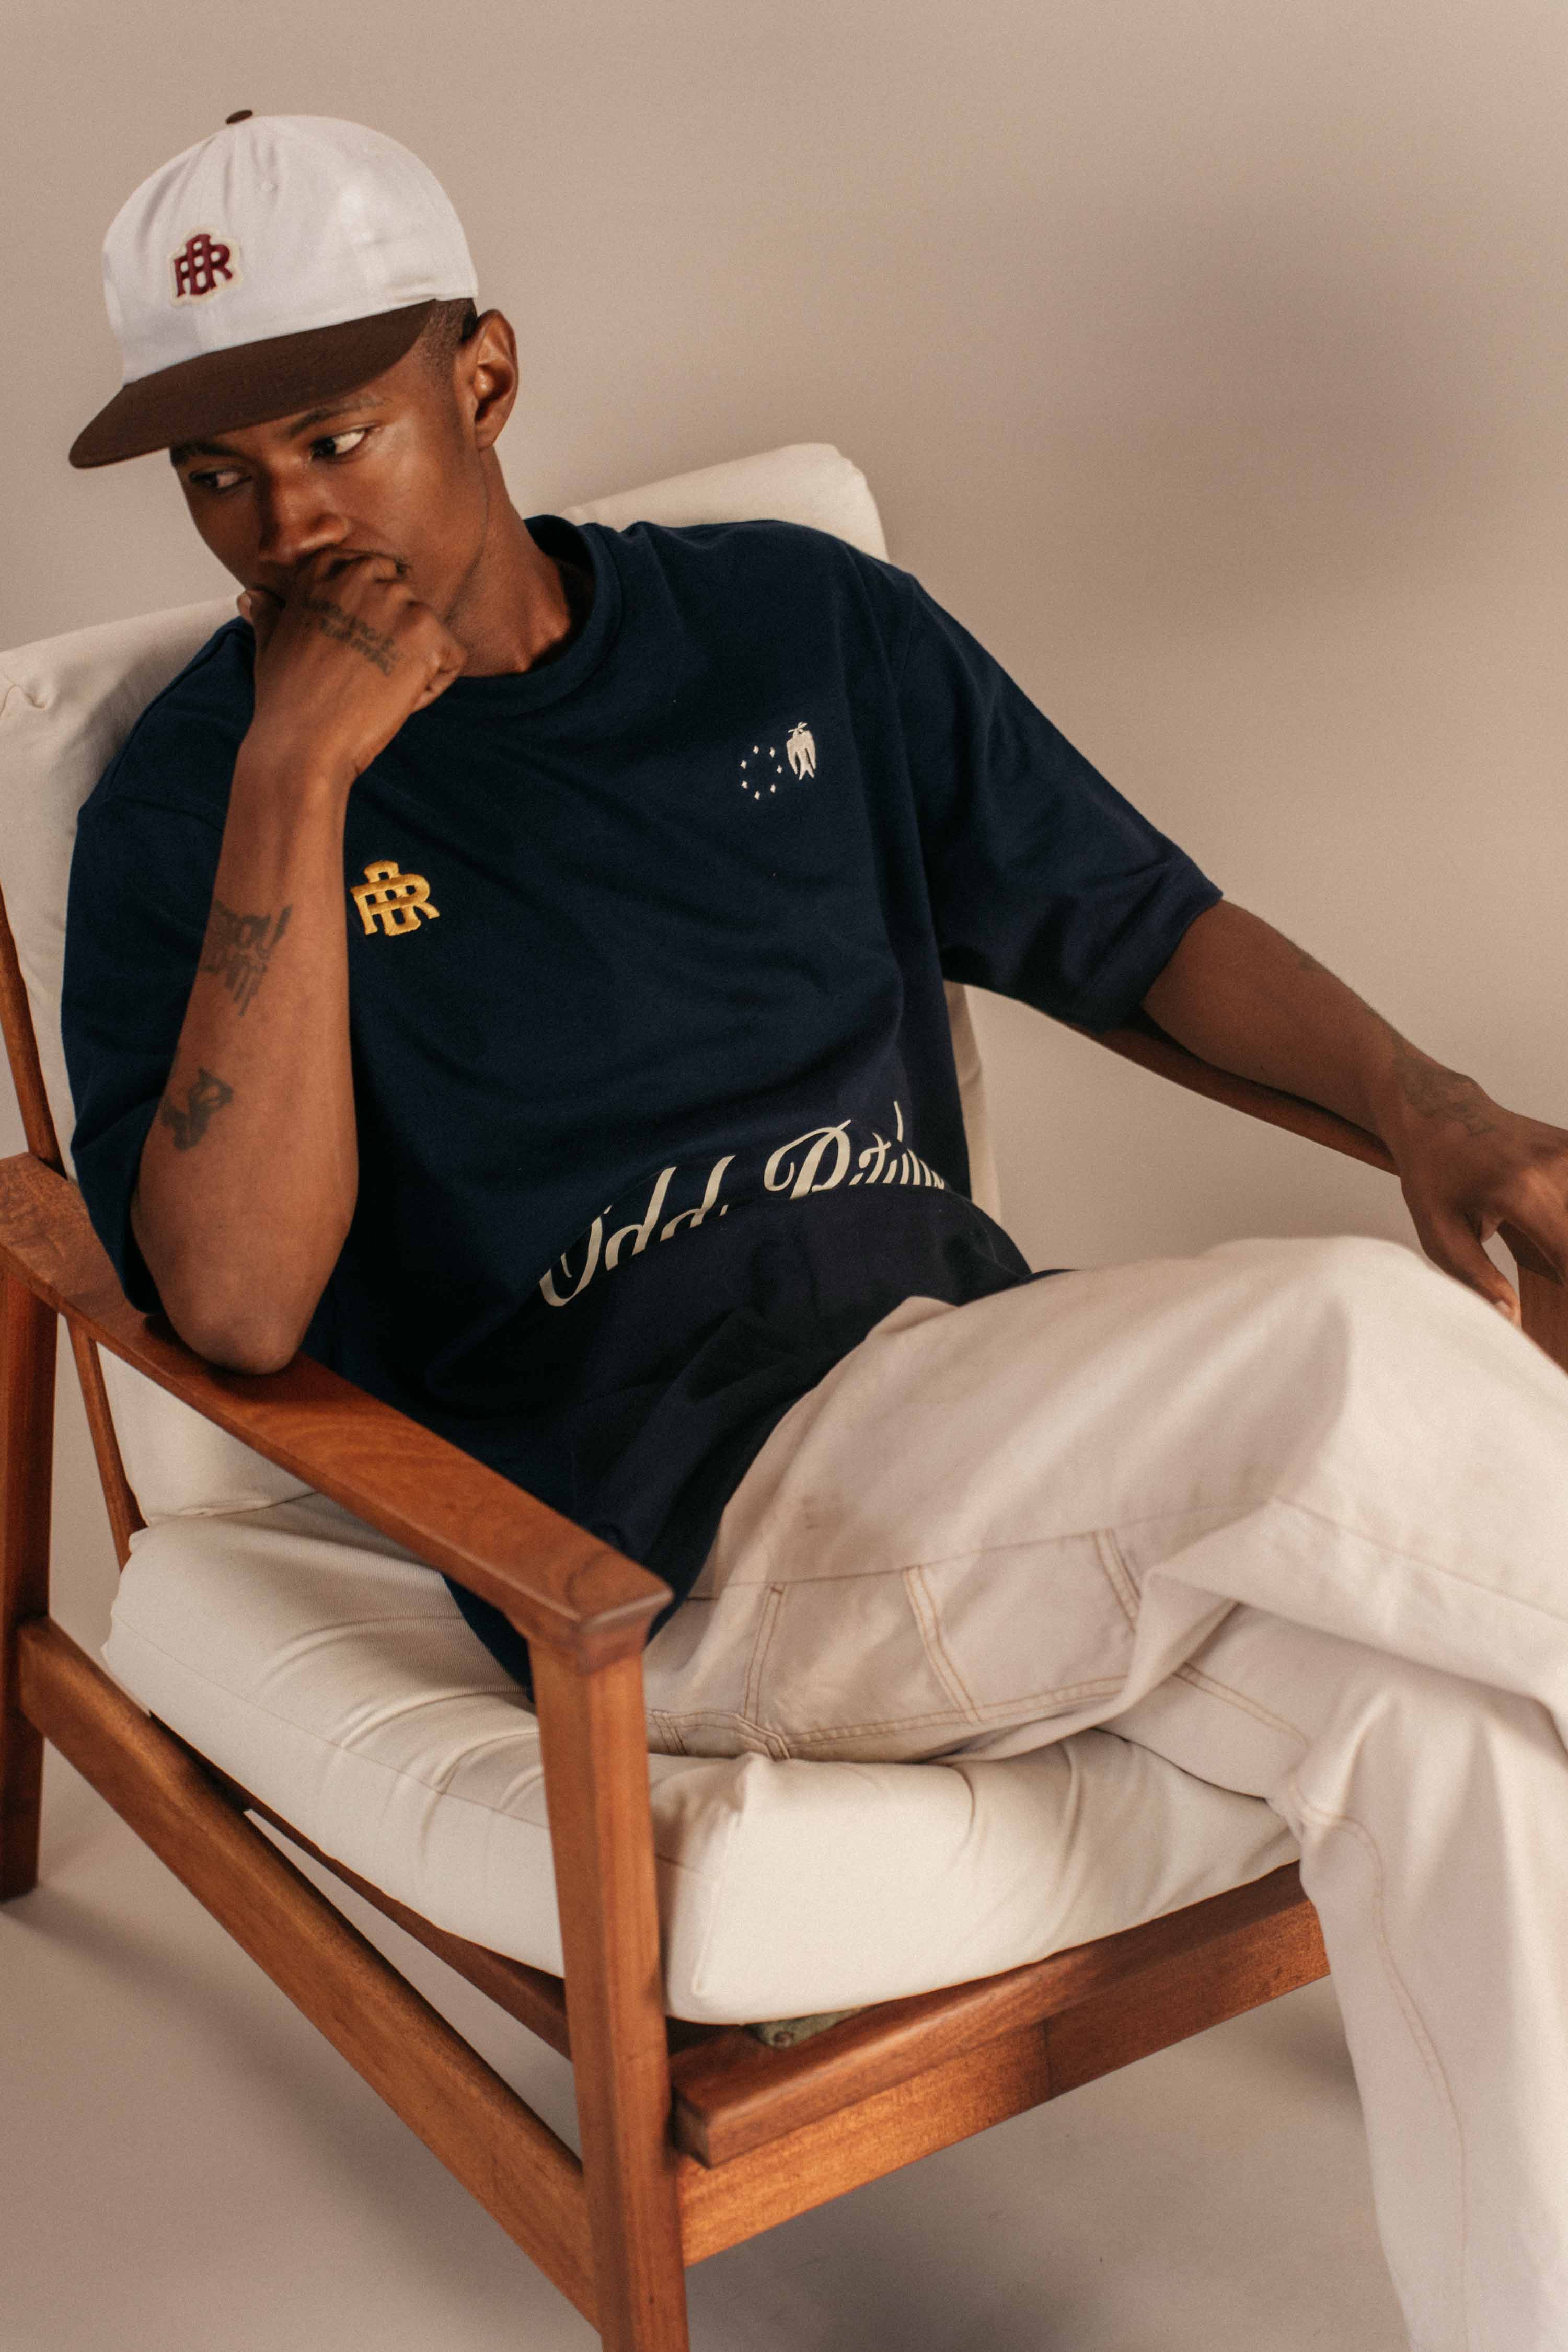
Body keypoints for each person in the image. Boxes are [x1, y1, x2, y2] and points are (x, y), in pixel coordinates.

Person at [61, 113, 1568, 2352]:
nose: (282, 526)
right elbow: (237, 1299)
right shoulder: (196, 802)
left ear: (485, 375)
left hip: (980, 1450)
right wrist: (299, 782)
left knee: (1449, 1727)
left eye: (333, 438)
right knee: (1339, 1342)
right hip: (672, 1550)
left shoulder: (786, 619)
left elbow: (1128, 922)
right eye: (217, 477)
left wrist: (1430, 1108)